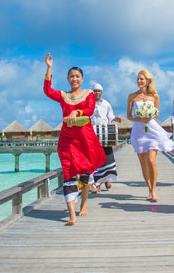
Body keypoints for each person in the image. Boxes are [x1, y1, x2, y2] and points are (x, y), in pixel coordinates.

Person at [43, 53, 106, 226]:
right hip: (67, 140)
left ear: (82, 78)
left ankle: (84, 204)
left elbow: (90, 110)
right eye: (71, 76)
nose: (74, 79)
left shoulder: (89, 94)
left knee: (85, 173)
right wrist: (49, 68)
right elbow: (47, 91)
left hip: (85, 139)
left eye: (77, 76)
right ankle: (72, 215)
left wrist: (76, 112)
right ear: (68, 79)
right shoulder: (63, 95)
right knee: (69, 172)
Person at [127, 69, 174, 202]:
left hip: (152, 130)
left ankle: (154, 191)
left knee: (151, 161)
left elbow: (157, 114)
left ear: (148, 81)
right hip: (138, 131)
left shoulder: (155, 96)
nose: (139, 81)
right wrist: (140, 118)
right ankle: (149, 189)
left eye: (141, 79)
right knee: (143, 163)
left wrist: (149, 115)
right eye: (137, 79)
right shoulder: (132, 96)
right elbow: (129, 116)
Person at [91, 82, 121, 192]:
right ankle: (97, 184)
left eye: (98, 91)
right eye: (95, 91)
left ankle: (106, 179)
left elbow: (110, 117)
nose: (97, 93)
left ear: (101, 92)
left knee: (107, 158)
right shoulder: (88, 104)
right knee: (96, 159)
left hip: (105, 134)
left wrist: (115, 119)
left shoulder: (106, 104)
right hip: (93, 134)